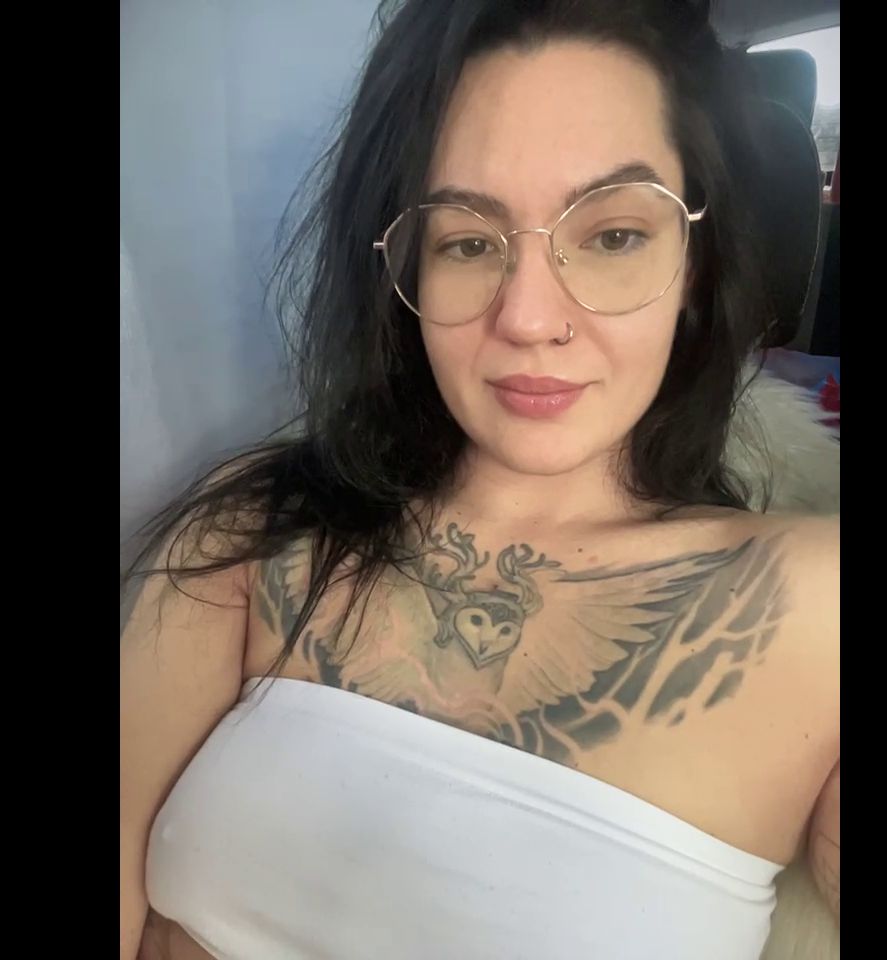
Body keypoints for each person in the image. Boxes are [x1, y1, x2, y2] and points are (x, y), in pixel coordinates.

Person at [120, 1, 840, 957]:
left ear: (696, 263)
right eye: (467, 242)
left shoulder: (816, 604)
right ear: (403, 269)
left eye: (613, 236)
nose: (530, 318)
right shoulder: (254, 532)